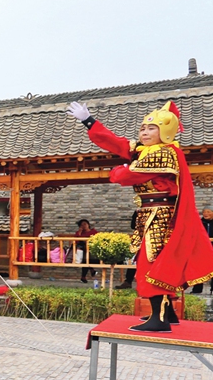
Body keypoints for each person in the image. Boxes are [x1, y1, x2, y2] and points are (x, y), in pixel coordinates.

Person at [68, 100, 213, 331]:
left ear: (164, 131)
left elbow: (127, 175)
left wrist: (115, 171)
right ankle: (167, 314)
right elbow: (120, 144)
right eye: (143, 129)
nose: (145, 133)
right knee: (158, 261)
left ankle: (160, 318)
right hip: (151, 214)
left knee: (152, 263)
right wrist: (89, 121)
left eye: (151, 128)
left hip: (158, 216)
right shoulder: (149, 150)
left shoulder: (163, 154)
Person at [194, 208, 213, 294]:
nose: (206, 214)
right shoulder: (199, 223)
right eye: (204, 212)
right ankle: (197, 290)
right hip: (202, 249)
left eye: (208, 212)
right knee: (199, 269)